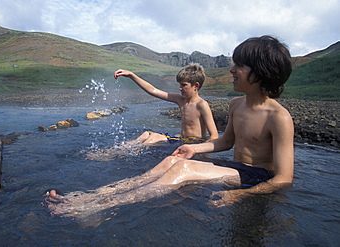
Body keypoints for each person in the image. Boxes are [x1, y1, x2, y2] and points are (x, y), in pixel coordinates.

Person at [46, 35, 294, 220]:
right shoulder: (236, 104)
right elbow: (226, 142)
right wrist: (193, 149)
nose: (232, 69)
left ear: (261, 73)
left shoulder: (278, 117)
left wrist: (241, 195)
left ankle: (93, 209)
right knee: (169, 162)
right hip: (235, 168)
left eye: (240, 66)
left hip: (256, 176)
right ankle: (89, 196)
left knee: (181, 169)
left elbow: (283, 179)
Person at [114, 63, 219, 145]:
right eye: (179, 84)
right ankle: (119, 150)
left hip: (194, 142)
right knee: (146, 134)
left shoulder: (201, 105)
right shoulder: (181, 99)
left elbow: (214, 136)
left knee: (153, 138)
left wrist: (201, 151)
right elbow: (153, 90)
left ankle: (130, 154)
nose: (180, 88)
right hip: (182, 139)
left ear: (196, 86)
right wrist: (131, 75)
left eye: (184, 85)